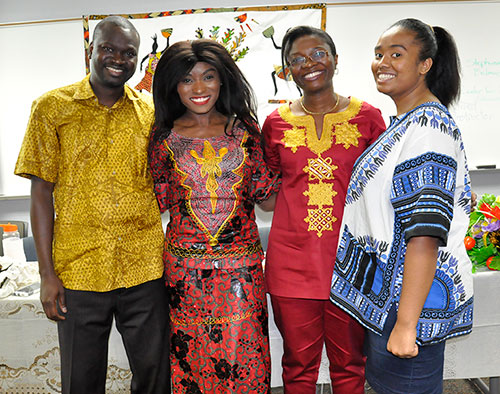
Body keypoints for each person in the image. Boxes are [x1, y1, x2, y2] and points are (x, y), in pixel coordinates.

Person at [14, 16, 170, 394]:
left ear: (137, 60)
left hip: (144, 268)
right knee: (81, 381)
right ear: (91, 51)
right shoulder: (51, 108)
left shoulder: (152, 113)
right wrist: (47, 275)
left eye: (128, 53)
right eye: (108, 49)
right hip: (78, 271)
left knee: (155, 378)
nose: (118, 58)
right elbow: (41, 193)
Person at [329, 18, 473, 394]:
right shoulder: (408, 123)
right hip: (393, 300)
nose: (383, 62)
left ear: (425, 65)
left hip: (409, 305)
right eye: (378, 54)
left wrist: (407, 324)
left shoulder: (428, 129)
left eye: (397, 53)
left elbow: (425, 231)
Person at [148, 39, 280, 393]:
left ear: (223, 81)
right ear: (173, 85)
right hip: (183, 276)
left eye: (209, 77)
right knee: (191, 365)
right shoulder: (162, 137)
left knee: (246, 362)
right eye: (187, 79)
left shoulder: (245, 132)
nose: (199, 88)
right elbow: (154, 200)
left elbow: (267, 197)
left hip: (242, 274)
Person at [262, 26, 386, 393]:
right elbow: (267, 195)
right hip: (291, 267)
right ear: (287, 71)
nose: (309, 64)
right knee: (298, 366)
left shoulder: (368, 117)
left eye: (318, 54)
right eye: (296, 60)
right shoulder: (274, 124)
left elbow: (380, 190)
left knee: (350, 364)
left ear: (335, 59)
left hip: (351, 264)